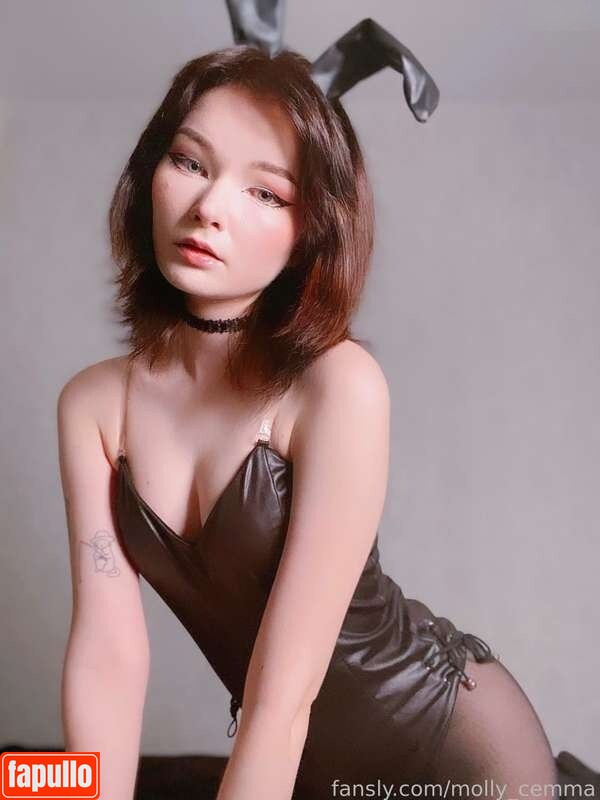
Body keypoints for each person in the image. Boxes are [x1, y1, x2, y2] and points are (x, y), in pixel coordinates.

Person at [57, 43, 559, 800]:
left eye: (266, 193)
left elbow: (280, 701)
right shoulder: (92, 406)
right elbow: (107, 657)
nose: (210, 207)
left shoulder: (336, 385)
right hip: (301, 772)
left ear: (310, 233)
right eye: (190, 162)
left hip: (455, 754)